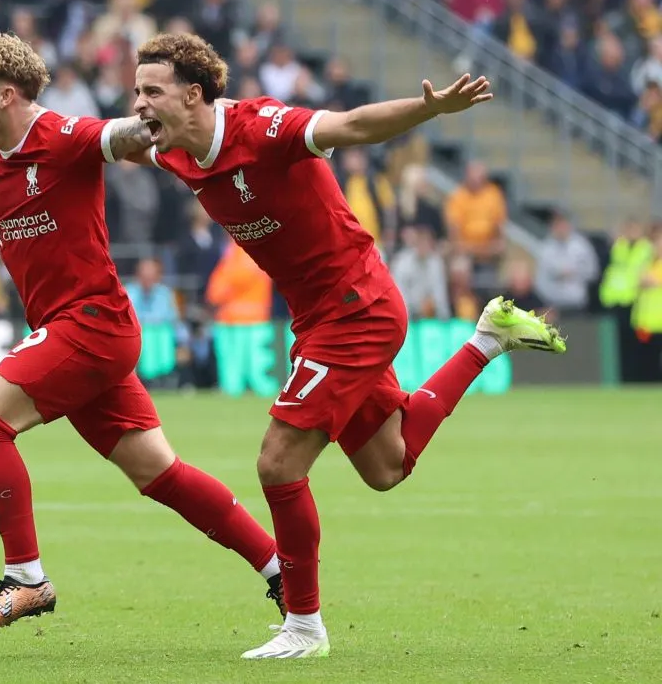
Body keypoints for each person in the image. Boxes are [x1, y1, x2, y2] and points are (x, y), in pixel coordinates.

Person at [0, 29, 284, 635]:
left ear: (5, 95)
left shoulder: (64, 137)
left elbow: (126, 135)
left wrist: (183, 119)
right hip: (75, 331)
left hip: (91, 323)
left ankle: (26, 578)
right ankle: (281, 569)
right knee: (159, 473)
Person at [127, 33, 567, 659]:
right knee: (387, 466)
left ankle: (304, 625)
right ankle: (487, 340)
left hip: (357, 307)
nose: (138, 104)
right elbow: (106, 141)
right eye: (135, 91)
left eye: (151, 91)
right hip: (318, 317)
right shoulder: (173, 150)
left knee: (278, 463)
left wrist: (429, 110)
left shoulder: (264, 128)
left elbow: (354, 124)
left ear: (193, 95)